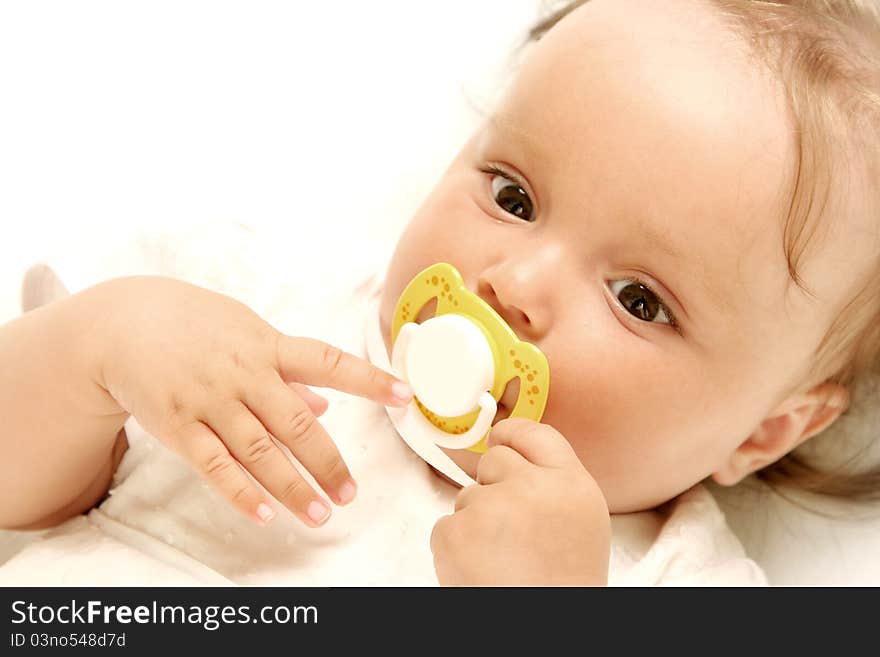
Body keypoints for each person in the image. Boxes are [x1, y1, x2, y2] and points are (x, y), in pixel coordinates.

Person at [1, 0, 878, 586]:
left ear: (765, 430)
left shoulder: (677, 580)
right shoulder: (255, 313)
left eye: (638, 299)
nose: (515, 285)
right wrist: (104, 345)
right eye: (513, 198)